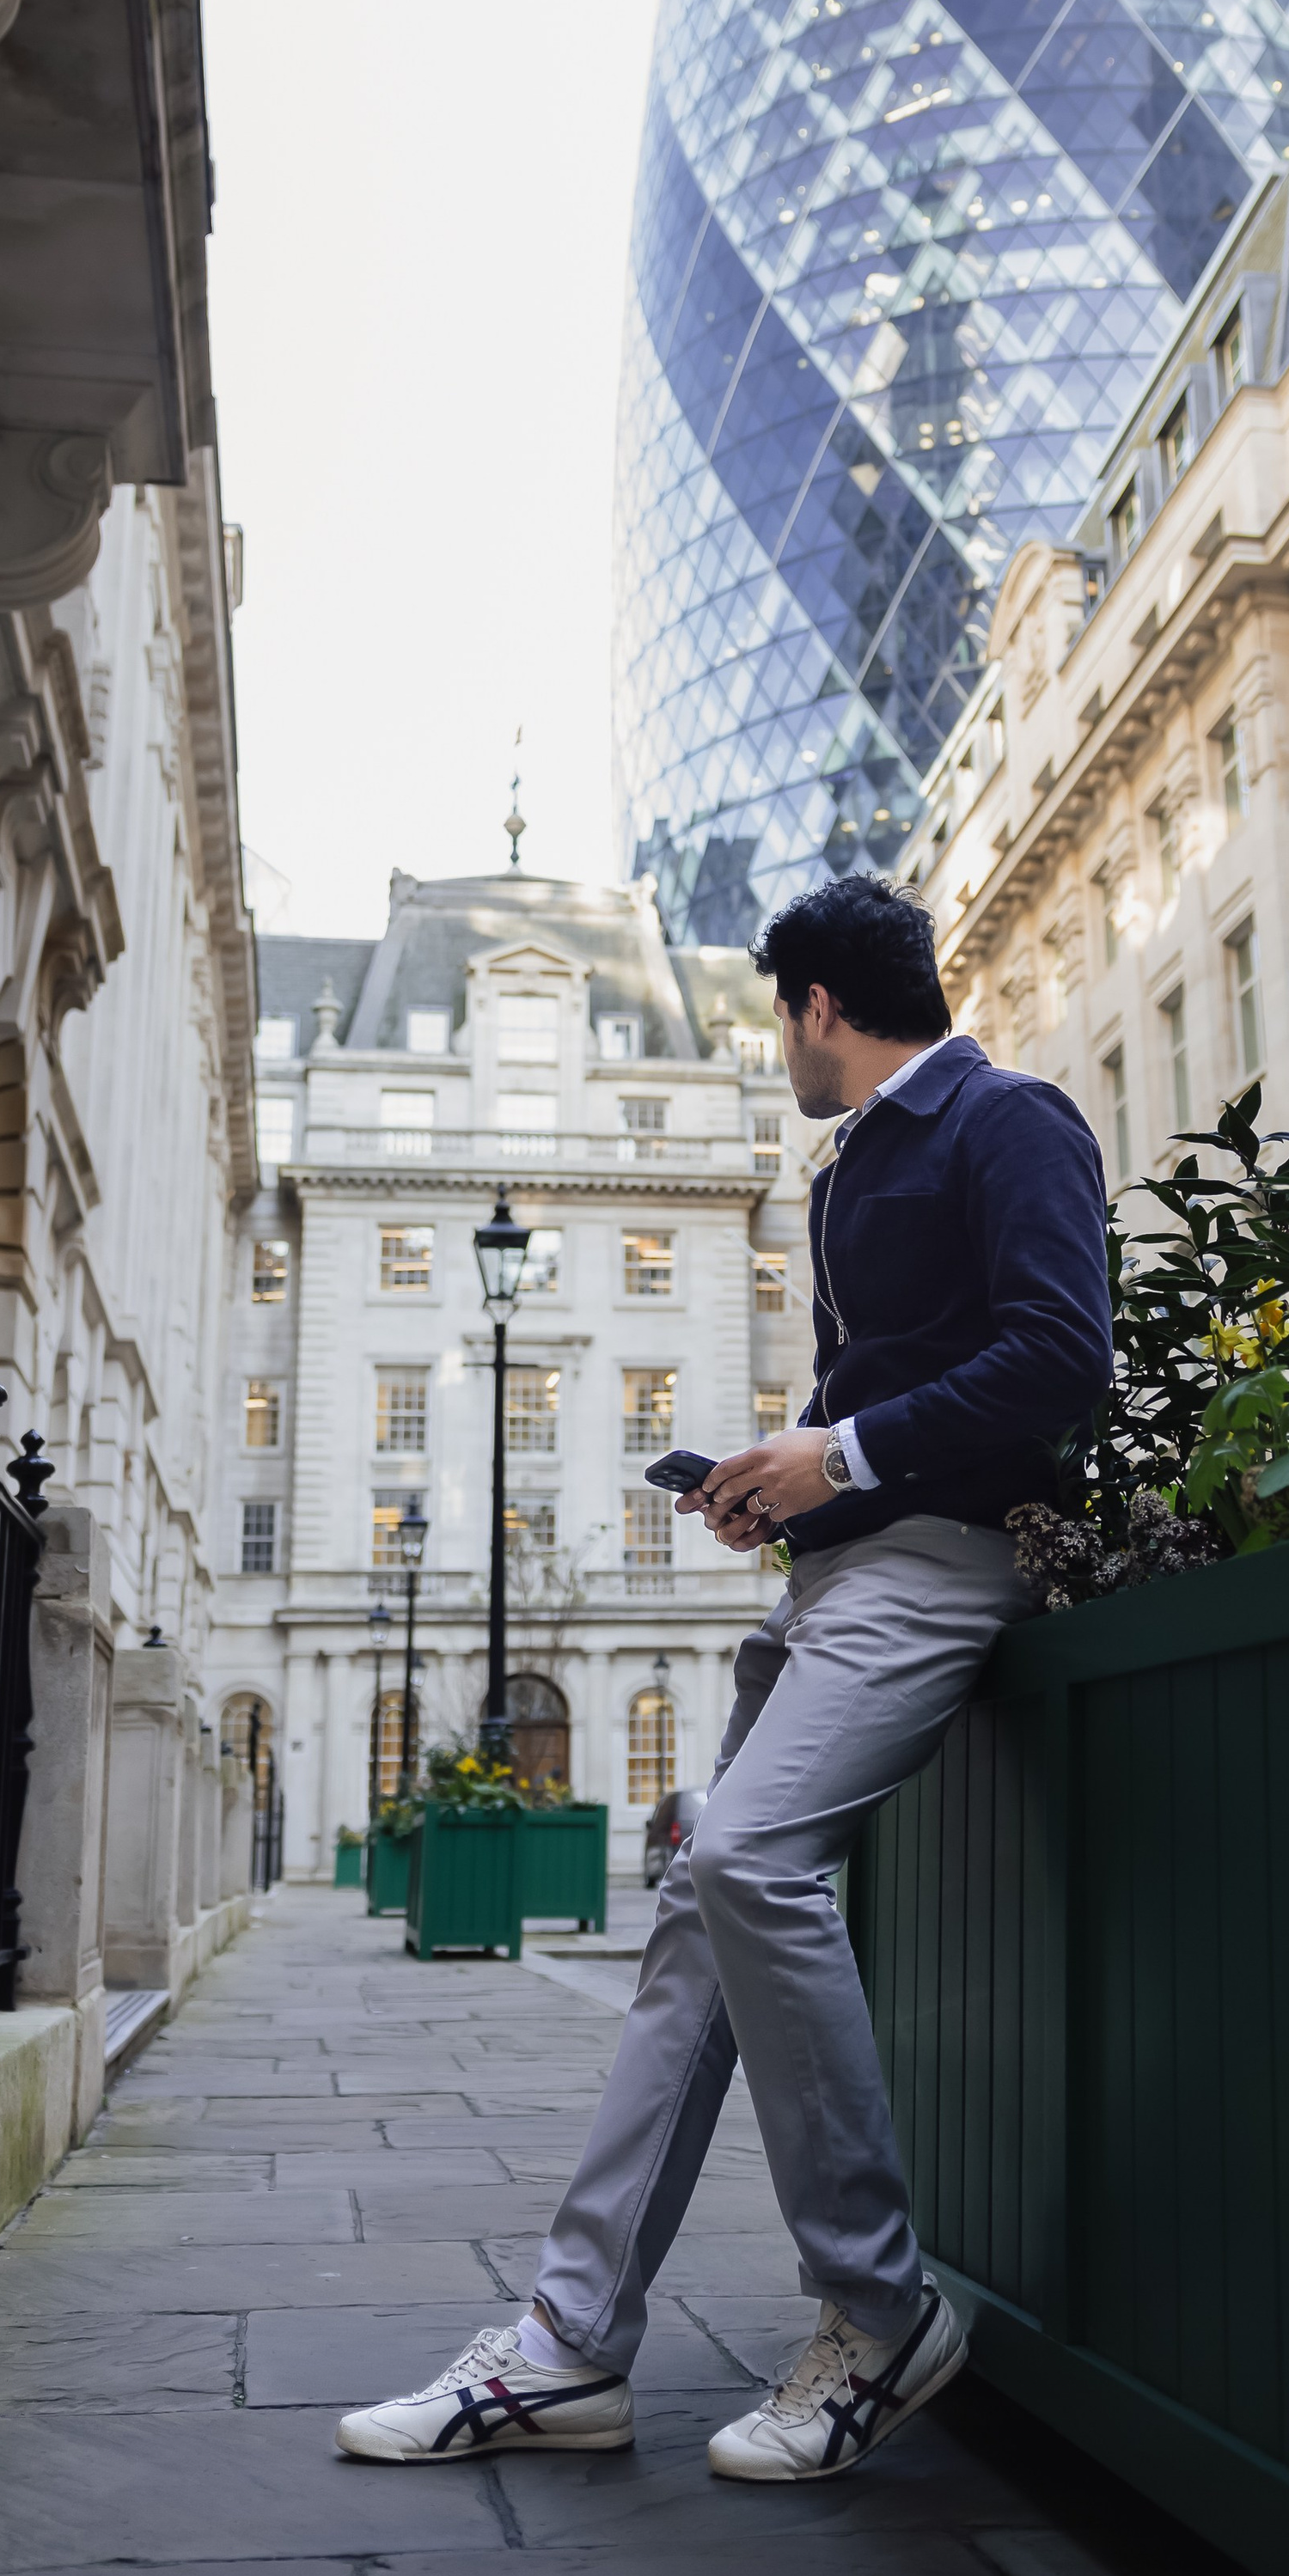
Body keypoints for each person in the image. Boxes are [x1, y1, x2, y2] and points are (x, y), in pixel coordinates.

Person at [337, 872, 1112, 2487]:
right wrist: (779, 1480)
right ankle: (565, 2344)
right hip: (837, 1575)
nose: (780, 1049)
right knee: (696, 1907)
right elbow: (889, 1396)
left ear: (817, 1007)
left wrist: (839, 1448)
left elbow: (1064, 1354)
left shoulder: (1008, 1121)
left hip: (938, 1563)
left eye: (780, 1020)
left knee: (750, 1862)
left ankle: (879, 2312)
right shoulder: (849, 1169)